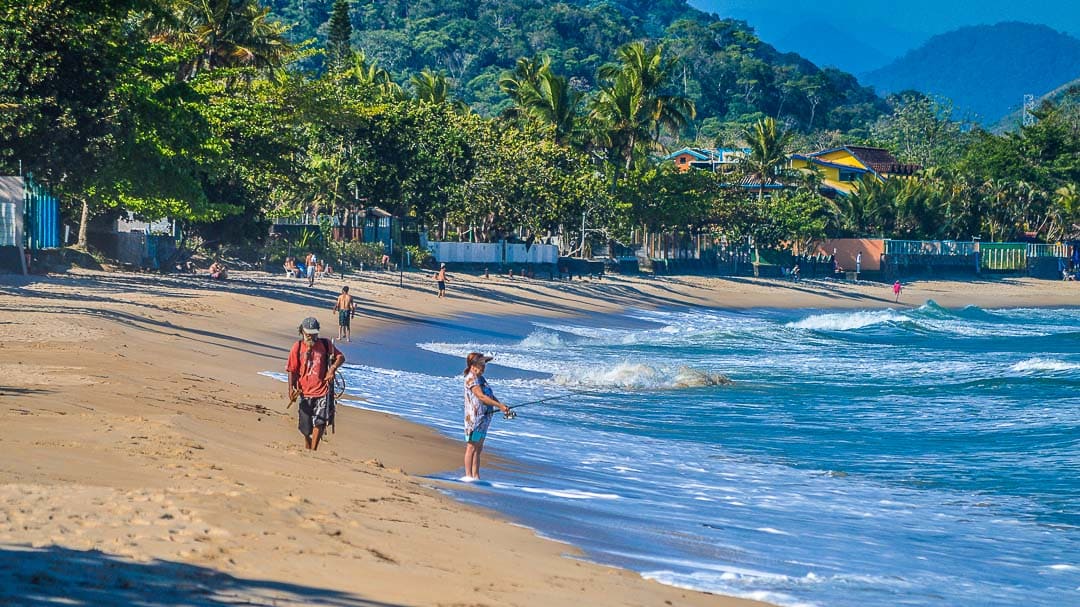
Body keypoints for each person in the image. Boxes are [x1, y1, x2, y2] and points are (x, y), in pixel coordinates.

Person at [286, 317, 344, 451]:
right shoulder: (297, 347)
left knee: (320, 421)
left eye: (314, 334)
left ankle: (313, 451)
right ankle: (308, 442)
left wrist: (332, 369)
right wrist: (290, 389)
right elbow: (292, 369)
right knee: (305, 428)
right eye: (308, 334)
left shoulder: (325, 344)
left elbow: (341, 357)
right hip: (304, 391)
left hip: (323, 390)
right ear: (302, 332)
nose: (311, 337)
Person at [462, 352, 512, 480]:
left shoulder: (481, 379)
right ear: (473, 365)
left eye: (484, 364)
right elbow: (481, 397)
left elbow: (489, 395)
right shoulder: (471, 378)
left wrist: (501, 405)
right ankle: (468, 476)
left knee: (478, 448)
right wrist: (500, 406)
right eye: (481, 364)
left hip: (484, 419)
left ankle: (476, 476)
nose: (484, 367)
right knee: (472, 446)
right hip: (475, 419)